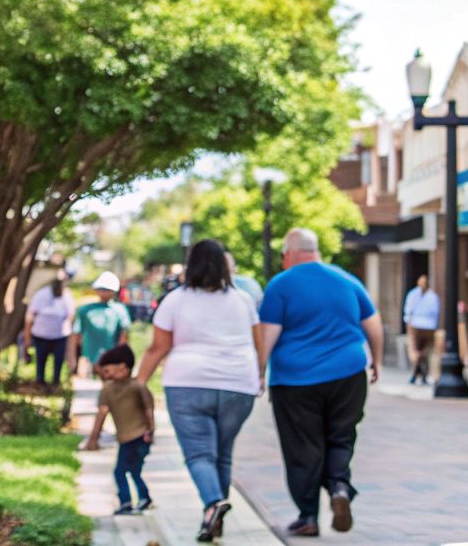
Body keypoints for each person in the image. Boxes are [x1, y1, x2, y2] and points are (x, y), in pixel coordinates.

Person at [135, 239, 263, 543]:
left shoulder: (176, 300)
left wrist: (139, 382)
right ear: (223, 265)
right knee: (223, 453)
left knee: (199, 454)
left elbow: (158, 348)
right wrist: (259, 375)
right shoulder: (242, 300)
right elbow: (257, 343)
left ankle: (212, 504)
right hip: (238, 385)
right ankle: (213, 522)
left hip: (188, 384)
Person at [259, 228, 381, 538]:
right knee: (341, 435)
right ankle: (339, 486)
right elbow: (373, 324)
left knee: (303, 446)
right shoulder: (347, 280)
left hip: (296, 380)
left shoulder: (280, 285)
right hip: (349, 374)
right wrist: (376, 361)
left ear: (289, 254)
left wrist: (259, 371)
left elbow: (268, 334)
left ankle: (308, 516)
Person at [82, 344, 155, 516]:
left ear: (123, 367)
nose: (105, 375)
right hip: (131, 436)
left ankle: (126, 501)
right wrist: (93, 438)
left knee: (121, 471)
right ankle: (143, 497)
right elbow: (102, 414)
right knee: (133, 470)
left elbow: (148, 408)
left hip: (136, 436)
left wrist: (151, 430)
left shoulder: (136, 386)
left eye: (108, 371)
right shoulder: (113, 388)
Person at [71, 271, 131, 377]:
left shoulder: (119, 309)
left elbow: (124, 332)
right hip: (89, 353)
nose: (104, 293)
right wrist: (76, 357)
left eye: (107, 290)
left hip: (112, 353)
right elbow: (77, 334)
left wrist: (120, 353)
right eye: (101, 289)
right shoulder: (85, 309)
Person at [24, 271, 75, 387]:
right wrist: (27, 339)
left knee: (58, 362)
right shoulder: (41, 295)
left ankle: (55, 383)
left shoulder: (66, 295)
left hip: (60, 336)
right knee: (41, 360)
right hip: (41, 335)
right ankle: (40, 382)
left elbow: (71, 315)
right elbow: (29, 318)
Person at [402, 273, 440, 385]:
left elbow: (408, 311)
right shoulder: (417, 295)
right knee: (421, 352)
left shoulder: (430, 296)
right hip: (420, 325)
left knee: (421, 352)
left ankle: (416, 374)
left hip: (424, 326)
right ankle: (421, 375)